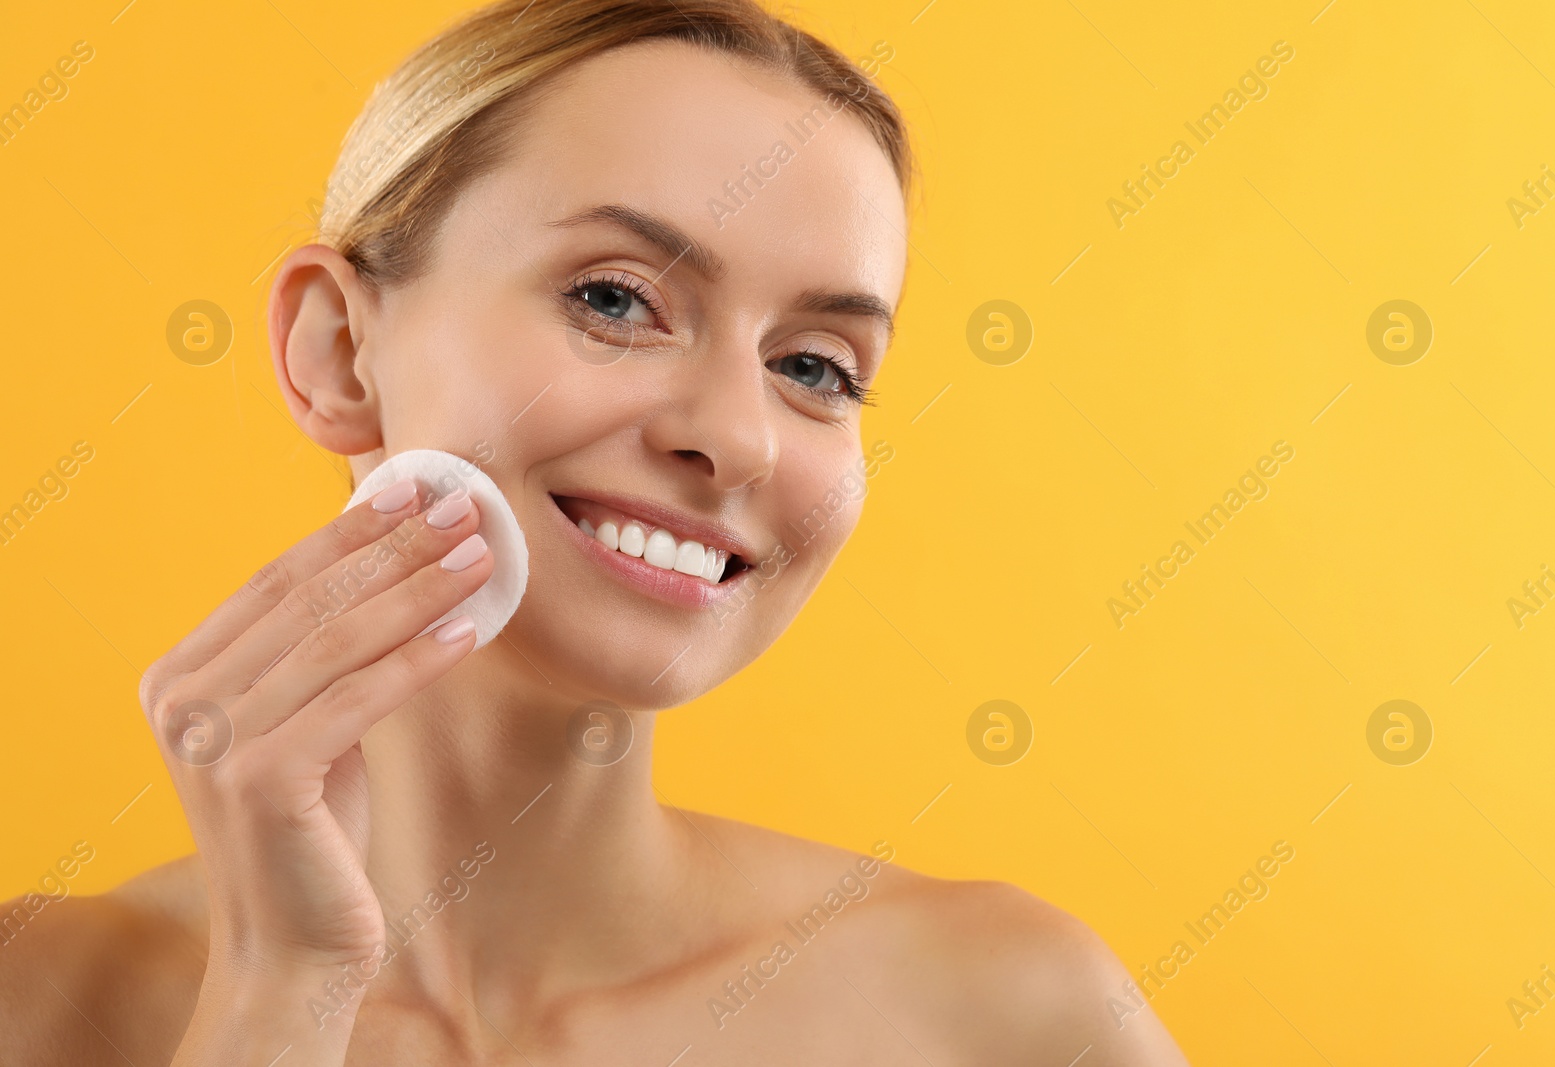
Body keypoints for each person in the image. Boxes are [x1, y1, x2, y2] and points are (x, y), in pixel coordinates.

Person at [0, 1, 1188, 1062]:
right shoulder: (36, 1002)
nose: (738, 436)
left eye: (815, 366)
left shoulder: (1006, 1014)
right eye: (614, 298)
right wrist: (278, 995)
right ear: (339, 351)